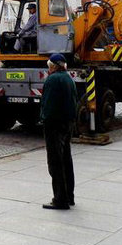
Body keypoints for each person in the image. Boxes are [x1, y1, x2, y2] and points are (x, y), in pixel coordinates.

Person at [40, 53, 77, 210]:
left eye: (49, 66)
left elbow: (47, 104)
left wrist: (44, 119)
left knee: (55, 162)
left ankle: (60, 199)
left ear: (53, 66)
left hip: (54, 124)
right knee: (66, 160)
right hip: (67, 123)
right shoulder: (68, 78)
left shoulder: (53, 79)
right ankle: (69, 196)